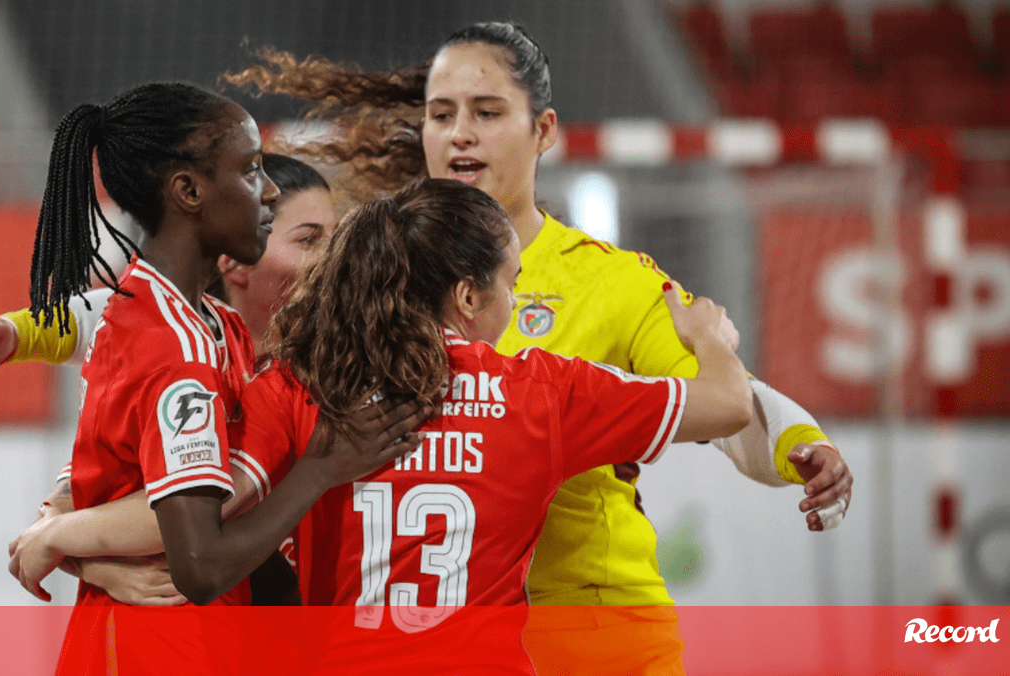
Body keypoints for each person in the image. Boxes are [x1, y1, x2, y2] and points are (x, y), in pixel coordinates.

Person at [219, 21, 853, 674]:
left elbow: (723, 400)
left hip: (590, 635)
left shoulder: (609, 280)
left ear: (544, 131)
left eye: (486, 112)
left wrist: (799, 444)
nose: (459, 132)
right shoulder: (370, 262)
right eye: (441, 115)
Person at [232, 178, 752, 675]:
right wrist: (708, 336)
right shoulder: (539, 392)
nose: (515, 302)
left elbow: (213, 521)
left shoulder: (297, 384)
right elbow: (730, 405)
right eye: (513, 285)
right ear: (468, 298)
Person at [0, 81, 428, 673]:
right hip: (161, 650)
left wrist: (67, 542)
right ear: (189, 191)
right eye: (252, 169)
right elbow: (199, 561)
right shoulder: (173, 350)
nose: (271, 189)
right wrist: (322, 471)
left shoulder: (210, 323)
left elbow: (119, 488)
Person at [0, 152, 339, 606]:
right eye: (310, 240)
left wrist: (67, 543)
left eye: (338, 240)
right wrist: (16, 333)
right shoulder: (189, 352)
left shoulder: (304, 373)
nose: (335, 259)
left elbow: (192, 513)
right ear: (237, 257)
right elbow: (112, 314)